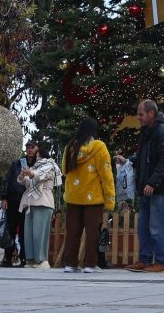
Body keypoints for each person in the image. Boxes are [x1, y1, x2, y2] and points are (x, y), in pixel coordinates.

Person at [59, 117, 115, 273]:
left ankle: (70, 264)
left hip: (73, 197)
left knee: (72, 232)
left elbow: (64, 170)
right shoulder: (99, 147)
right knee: (92, 233)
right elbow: (106, 176)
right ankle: (90, 264)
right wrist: (109, 200)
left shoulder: (70, 147)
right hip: (93, 198)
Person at [125, 100, 164, 273]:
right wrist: (129, 161)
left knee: (157, 226)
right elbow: (144, 158)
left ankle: (161, 261)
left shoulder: (161, 132)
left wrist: (153, 182)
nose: (138, 117)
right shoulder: (146, 132)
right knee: (144, 226)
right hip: (145, 188)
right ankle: (144, 259)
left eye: (141, 114)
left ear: (151, 114)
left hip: (158, 189)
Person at [19, 143, 58, 268]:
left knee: (39, 233)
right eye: (37, 157)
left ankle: (42, 260)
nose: (38, 158)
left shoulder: (50, 165)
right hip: (30, 202)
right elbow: (29, 182)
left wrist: (30, 174)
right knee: (28, 233)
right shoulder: (34, 168)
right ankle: (31, 259)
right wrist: (22, 177)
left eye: (40, 156)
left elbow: (40, 176)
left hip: (43, 202)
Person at [2, 141, 40, 267]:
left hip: (29, 202)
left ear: (37, 149)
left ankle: (24, 259)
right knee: (10, 230)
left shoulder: (39, 164)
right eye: (28, 147)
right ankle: (7, 258)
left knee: (25, 231)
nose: (30, 149)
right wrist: (4, 198)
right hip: (13, 201)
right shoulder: (17, 163)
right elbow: (7, 180)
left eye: (32, 147)